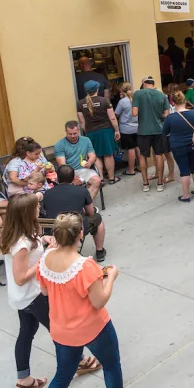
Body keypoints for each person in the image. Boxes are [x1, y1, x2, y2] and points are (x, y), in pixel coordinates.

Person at [36, 212, 122, 387]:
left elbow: (45, 292)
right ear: (80, 234)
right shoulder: (85, 266)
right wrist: (111, 277)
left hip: (62, 330)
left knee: (63, 376)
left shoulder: (45, 259)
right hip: (93, 328)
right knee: (111, 366)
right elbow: (99, 301)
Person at [1, 194, 59, 388]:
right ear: (27, 213)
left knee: (26, 333)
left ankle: (24, 379)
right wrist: (46, 258)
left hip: (22, 298)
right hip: (33, 296)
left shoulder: (18, 234)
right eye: (36, 207)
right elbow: (20, 276)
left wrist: (43, 240)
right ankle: (79, 361)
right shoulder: (21, 245)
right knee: (59, 330)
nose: (38, 208)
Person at [42, 165, 107, 261]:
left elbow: (48, 210)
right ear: (73, 178)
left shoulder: (47, 193)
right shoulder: (81, 190)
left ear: (57, 178)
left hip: (54, 230)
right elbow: (91, 212)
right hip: (75, 229)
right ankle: (100, 251)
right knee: (97, 218)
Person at [77, 80, 121, 185]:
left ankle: (100, 178)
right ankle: (111, 178)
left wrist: (88, 132)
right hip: (106, 131)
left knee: (95, 156)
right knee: (108, 155)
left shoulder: (80, 103)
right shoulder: (104, 100)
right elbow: (112, 118)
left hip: (91, 132)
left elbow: (82, 122)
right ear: (97, 89)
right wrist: (117, 130)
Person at [132, 76, 170, 192]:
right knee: (159, 155)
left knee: (143, 156)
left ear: (144, 84)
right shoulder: (162, 95)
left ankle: (145, 184)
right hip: (159, 130)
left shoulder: (138, 94)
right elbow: (166, 115)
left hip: (143, 130)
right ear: (153, 84)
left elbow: (134, 113)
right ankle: (159, 183)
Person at [162, 91, 194, 202]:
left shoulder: (170, 118)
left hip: (178, 146)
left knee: (184, 170)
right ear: (185, 101)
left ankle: (186, 195)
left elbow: (164, 132)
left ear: (173, 103)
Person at [54, 122, 102, 199]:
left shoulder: (86, 140)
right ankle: (79, 205)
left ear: (79, 131)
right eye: (70, 134)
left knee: (97, 181)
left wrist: (89, 163)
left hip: (83, 169)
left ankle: (84, 205)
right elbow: (62, 165)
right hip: (68, 173)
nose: (72, 136)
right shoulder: (59, 145)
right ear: (66, 132)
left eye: (75, 133)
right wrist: (73, 177)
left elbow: (92, 155)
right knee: (71, 186)